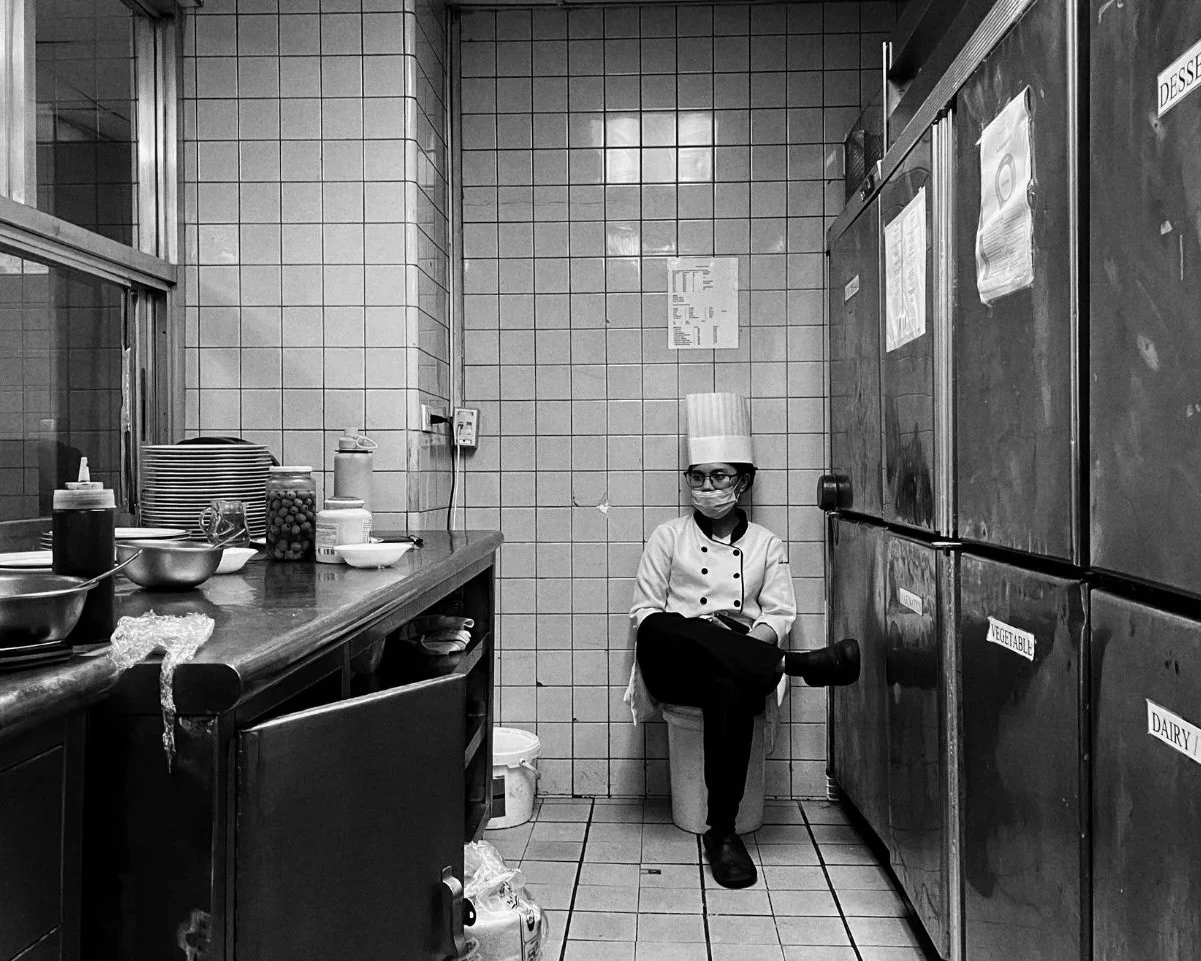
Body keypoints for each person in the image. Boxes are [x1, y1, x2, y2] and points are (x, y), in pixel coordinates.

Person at [625, 393, 860, 889]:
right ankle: (796, 665)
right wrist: (704, 633)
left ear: (744, 481)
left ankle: (723, 834)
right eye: (698, 477)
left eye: (720, 477)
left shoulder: (766, 545)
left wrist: (748, 640)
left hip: (735, 670)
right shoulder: (667, 536)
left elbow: (779, 612)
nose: (707, 488)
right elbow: (644, 612)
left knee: (727, 682)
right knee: (659, 626)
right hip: (673, 661)